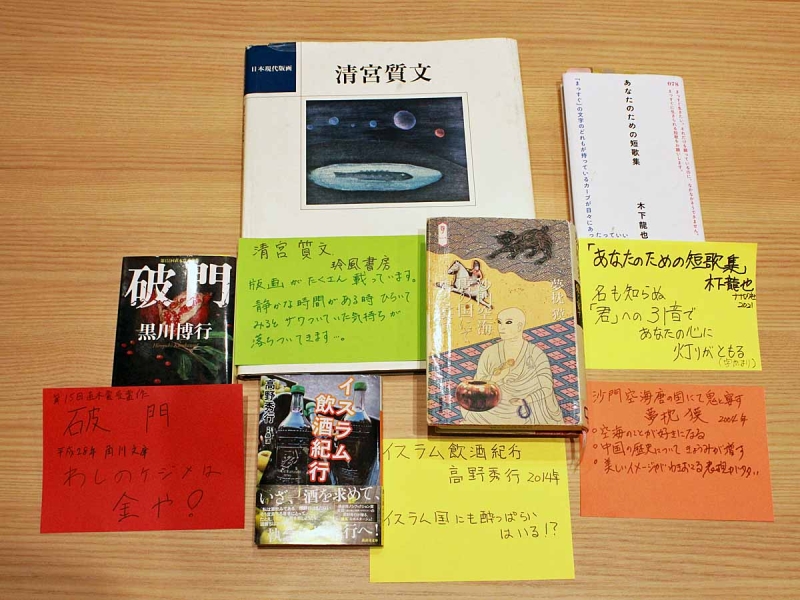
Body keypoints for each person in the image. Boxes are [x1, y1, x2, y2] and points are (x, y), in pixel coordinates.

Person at [462, 307, 563, 426]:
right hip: (495, 403)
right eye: (499, 322)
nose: (502, 327)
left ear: (520, 326)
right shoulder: (489, 352)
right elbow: (477, 385)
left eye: (508, 322)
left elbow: (546, 387)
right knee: (467, 408)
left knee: (535, 412)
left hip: (525, 404)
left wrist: (525, 400)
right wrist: (496, 378)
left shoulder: (535, 353)